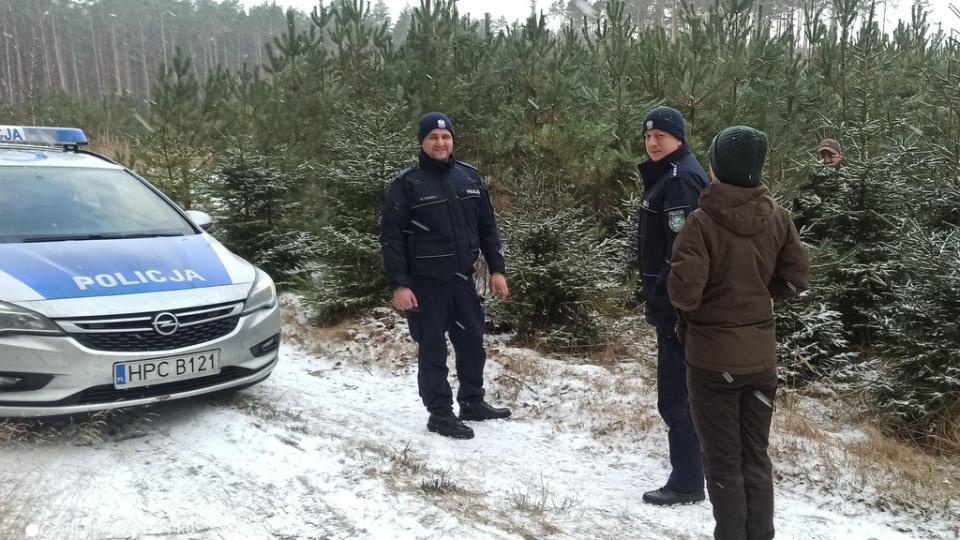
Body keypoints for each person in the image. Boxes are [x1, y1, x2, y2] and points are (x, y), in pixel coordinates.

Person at [668, 126, 810, 540]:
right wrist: (758, 295)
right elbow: (796, 278)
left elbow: (685, 294)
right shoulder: (778, 217)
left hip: (713, 364)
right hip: (761, 360)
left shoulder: (700, 223)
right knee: (756, 458)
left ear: (716, 168)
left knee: (724, 463)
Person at [379, 112, 511, 440]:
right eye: (433, 138)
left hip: (461, 280)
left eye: (446, 137)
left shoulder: (468, 177)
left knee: (471, 344)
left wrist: (497, 269)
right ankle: (439, 413)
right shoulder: (407, 184)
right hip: (426, 285)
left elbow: (486, 227)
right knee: (434, 349)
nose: (440, 143)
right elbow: (391, 237)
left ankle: (472, 402)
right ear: (422, 142)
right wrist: (399, 283)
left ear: (452, 140)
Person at [636, 105, 709, 506]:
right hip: (674, 305)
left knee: (676, 395)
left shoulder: (680, 182)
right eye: (647, 137)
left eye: (660, 136)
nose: (652, 142)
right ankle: (694, 470)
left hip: (677, 310)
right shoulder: (670, 175)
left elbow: (679, 254)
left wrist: (663, 302)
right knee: (683, 393)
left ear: (677, 138)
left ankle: (686, 482)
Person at [794, 137, 843, 240]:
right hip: (811, 241)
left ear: (840, 155)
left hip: (839, 244)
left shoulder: (849, 179)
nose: (827, 160)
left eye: (831, 155)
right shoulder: (808, 181)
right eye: (823, 156)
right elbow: (797, 215)